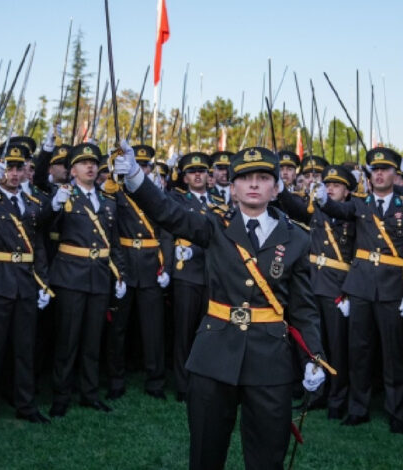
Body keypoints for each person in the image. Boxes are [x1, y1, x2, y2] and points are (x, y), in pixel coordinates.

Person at [113, 142, 326, 469]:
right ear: (233, 188)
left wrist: (314, 355)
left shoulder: (296, 237)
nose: (253, 184)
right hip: (214, 353)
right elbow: (169, 213)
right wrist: (136, 180)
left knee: (267, 457)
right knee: (205, 454)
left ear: (276, 188)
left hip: (270, 358)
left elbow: (304, 307)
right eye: (244, 178)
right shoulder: (213, 225)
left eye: (262, 177)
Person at [314, 147, 403, 434]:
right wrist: (323, 199)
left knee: (393, 355)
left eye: (385, 169)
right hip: (361, 287)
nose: (379, 174)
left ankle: (395, 412)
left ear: (394, 174)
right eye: (374, 170)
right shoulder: (360, 204)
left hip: (392, 289)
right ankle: (358, 408)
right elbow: (338, 209)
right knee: (359, 352)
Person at [0, 142, 53, 430]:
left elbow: (38, 246)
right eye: (9, 168)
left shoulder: (33, 205)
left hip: (25, 282)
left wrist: (43, 282)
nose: (15, 174)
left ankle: (25, 405)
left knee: (24, 348)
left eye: (19, 168)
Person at [48, 142, 126, 417]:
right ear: (72, 170)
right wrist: (55, 206)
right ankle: (61, 395)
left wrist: (120, 274)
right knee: (67, 340)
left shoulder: (107, 202)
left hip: (99, 276)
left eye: (94, 162)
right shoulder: (64, 197)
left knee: (93, 340)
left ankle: (89, 393)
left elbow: (114, 243)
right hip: (70, 275)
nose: (91, 167)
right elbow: (44, 228)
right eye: (83, 163)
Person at [278, 164, 357, 419]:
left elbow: (359, 256)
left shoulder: (353, 215)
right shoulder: (317, 210)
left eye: (336, 185)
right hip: (313, 283)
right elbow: (295, 209)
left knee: (337, 347)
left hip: (337, 287)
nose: (330, 188)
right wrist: (280, 189)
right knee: (313, 346)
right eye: (328, 184)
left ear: (347, 192)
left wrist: (349, 291)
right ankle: (315, 394)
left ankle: (337, 399)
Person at [105, 144, 173, 400]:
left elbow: (166, 232)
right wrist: (117, 269)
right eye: (139, 165)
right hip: (124, 264)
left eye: (146, 166)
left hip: (151, 267)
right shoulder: (116, 192)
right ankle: (115, 379)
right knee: (118, 328)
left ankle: (155, 381)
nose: (142, 169)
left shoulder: (154, 194)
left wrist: (165, 267)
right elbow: (110, 232)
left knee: (153, 330)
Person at [168, 152, 223, 402]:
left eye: (202, 170)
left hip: (211, 273)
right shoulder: (177, 199)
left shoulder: (219, 200)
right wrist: (168, 266)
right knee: (183, 332)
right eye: (192, 171)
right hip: (187, 272)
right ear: (184, 177)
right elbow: (167, 230)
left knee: (208, 332)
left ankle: (204, 380)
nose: (198, 175)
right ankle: (182, 384)